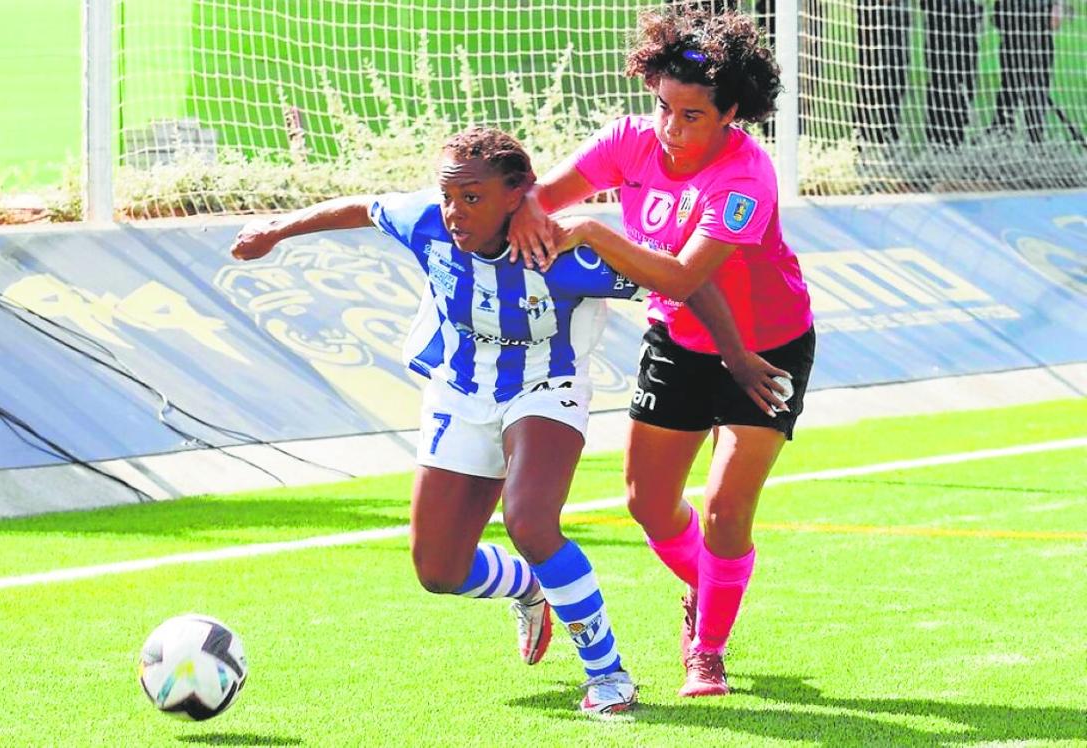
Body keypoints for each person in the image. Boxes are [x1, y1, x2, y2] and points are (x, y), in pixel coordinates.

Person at [228, 127, 687, 715]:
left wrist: (737, 355)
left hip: (547, 387)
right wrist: (275, 229)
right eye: (449, 196)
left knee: (529, 521)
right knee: (438, 570)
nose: (453, 211)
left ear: (517, 194)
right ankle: (528, 586)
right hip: (459, 389)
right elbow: (361, 208)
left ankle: (609, 676)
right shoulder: (426, 221)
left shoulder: (565, 250)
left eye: (472, 197)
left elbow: (679, 281)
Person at [509, 6, 815, 698]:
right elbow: (537, 196)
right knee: (648, 505)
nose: (670, 131)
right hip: (680, 339)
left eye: (692, 116)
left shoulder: (747, 177)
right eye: (662, 109)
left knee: (726, 512)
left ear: (731, 112)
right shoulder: (629, 141)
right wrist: (519, 211)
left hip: (764, 348)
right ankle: (707, 590)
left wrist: (587, 228)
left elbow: (680, 275)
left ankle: (706, 646)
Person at [991, 0, 1061, 143]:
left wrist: (1057, 6)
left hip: (1038, 14)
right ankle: (1003, 131)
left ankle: (1035, 135)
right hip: (1012, 12)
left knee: (1038, 80)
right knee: (1011, 80)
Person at [920, 0, 984, 147]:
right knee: (941, 81)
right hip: (939, 25)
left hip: (964, 23)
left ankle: (956, 134)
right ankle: (938, 137)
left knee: (963, 79)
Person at [857, 0, 912, 145]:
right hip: (873, 15)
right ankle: (862, 131)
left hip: (897, 15)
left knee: (897, 73)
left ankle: (889, 130)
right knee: (870, 72)